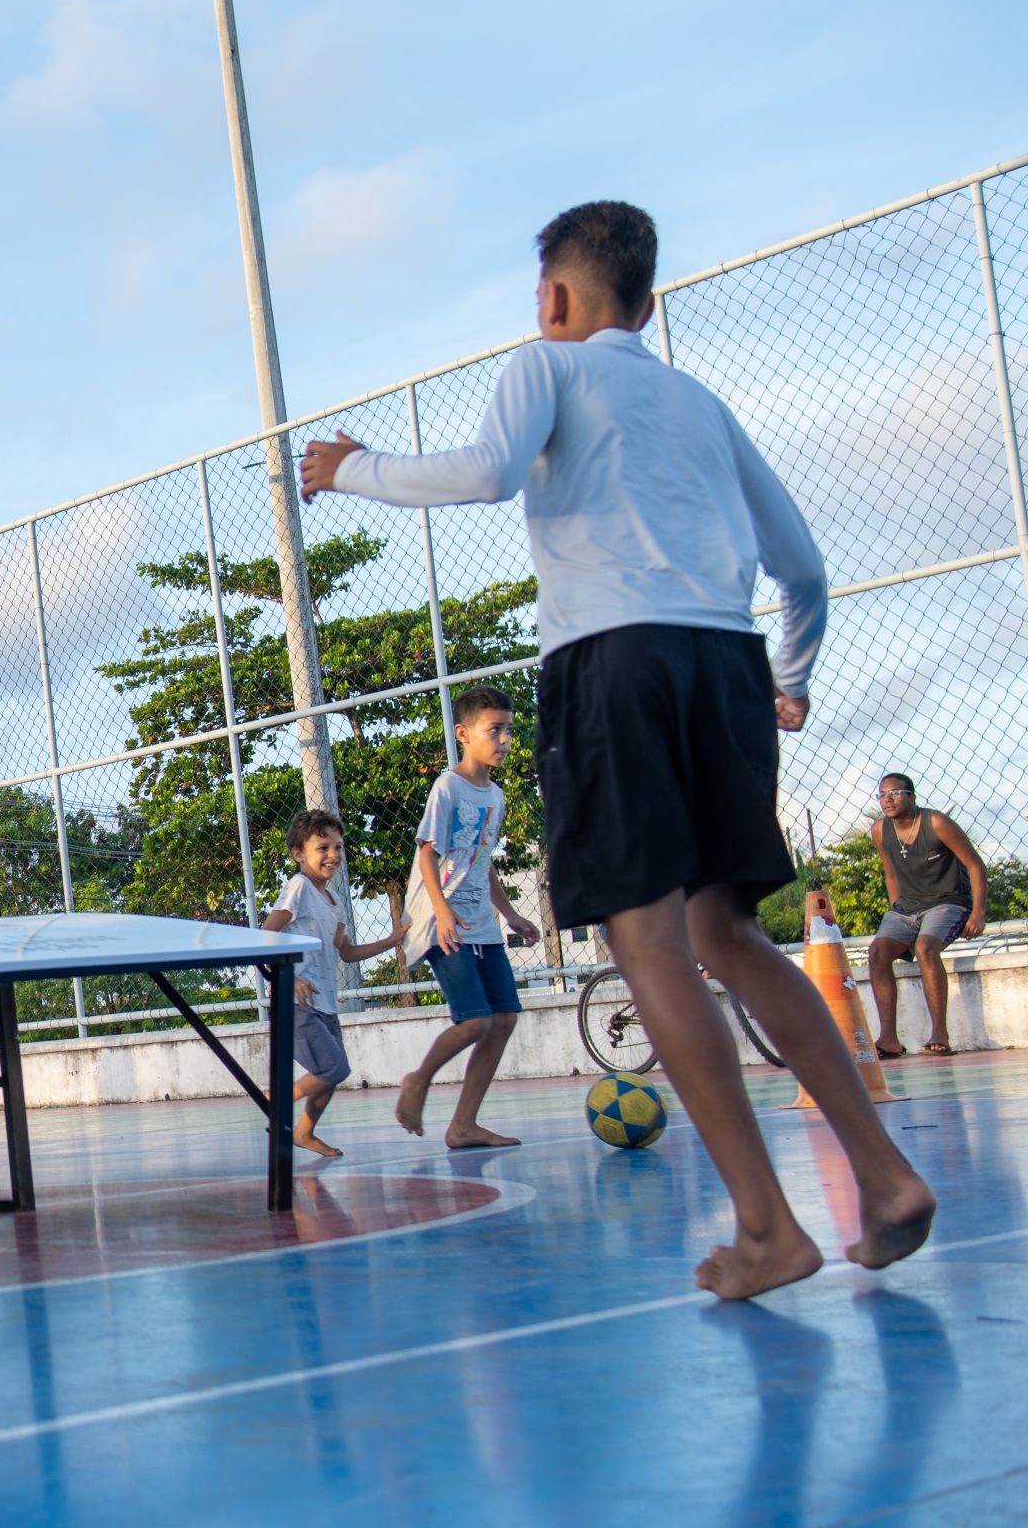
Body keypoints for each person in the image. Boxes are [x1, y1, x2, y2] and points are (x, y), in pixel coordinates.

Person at [301, 201, 934, 1299]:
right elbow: (807, 572)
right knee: (728, 934)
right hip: (726, 665)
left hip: (612, 663)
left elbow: (488, 472)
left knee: (648, 943)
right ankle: (881, 1177)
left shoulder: (542, 368)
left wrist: (350, 467)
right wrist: (785, 679)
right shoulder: (698, 401)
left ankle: (767, 1225)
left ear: (553, 299)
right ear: (646, 301)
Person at [392, 687, 542, 1149]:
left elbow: (482, 860)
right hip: (444, 923)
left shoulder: (494, 796)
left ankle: (463, 1125)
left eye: (509, 731)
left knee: (504, 1020)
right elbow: (427, 852)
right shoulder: (448, 786)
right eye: (494, 730)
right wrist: (441, 911)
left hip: (482, 924)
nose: (504, 740)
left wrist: (512, 914)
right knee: (475, 1021)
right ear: (464, 734)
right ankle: (418, 1080)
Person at [260, 809, 408, 1158]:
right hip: (294, 1004)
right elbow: (266, 935)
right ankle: (274, 1100)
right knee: (334, 1068)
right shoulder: (298, 888)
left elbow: (347, 952)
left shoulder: (336, 901)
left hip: (324, 1002)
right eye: (322, 848)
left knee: (332, 1074)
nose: (332, 855)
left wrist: (391, 941)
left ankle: (305, 1132)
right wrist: (291, 977)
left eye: (338, 847)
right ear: (299, 854)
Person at [866, 774, 986, 1058]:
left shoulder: (936, 823)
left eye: (895, 793)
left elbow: (976, 866)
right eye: (882, 795)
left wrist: (978, 913)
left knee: (925, 947)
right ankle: (889, 1040)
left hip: (948, 902)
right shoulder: (880, 830)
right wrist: (897, 908)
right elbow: (890, 873)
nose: (888, 799)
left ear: (911, 796)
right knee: (877, 952)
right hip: (906, 908)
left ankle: (940, 1035)